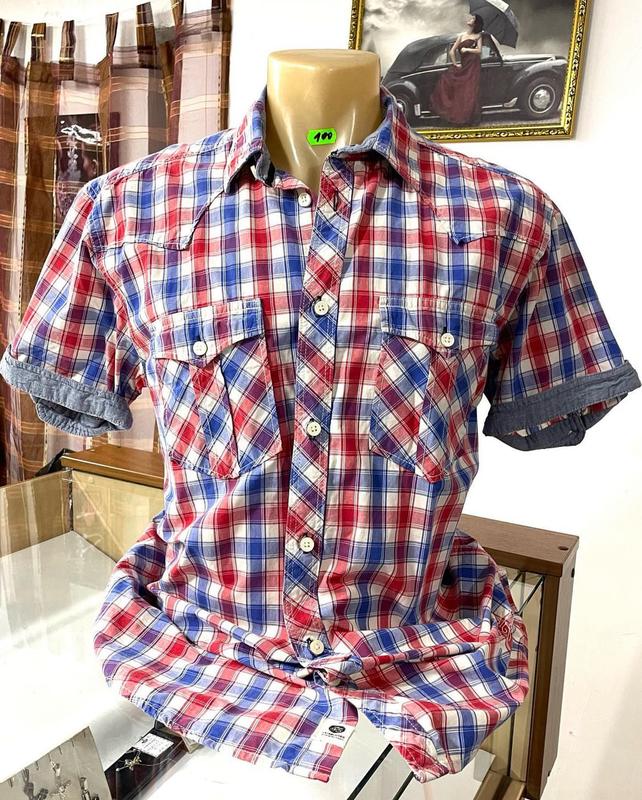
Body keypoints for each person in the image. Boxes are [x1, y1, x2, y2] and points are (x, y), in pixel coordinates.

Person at [430, 13, 484, 126]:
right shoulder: (462, 36)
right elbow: (451, 51)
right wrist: (455, 64)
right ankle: (458, 115)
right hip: (464, 65)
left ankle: (468, 117)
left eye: (473, 19)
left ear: (475, 24)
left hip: (473, 66)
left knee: (470, 90)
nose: (470, 19)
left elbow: (479, 51)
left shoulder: (478, 36)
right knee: (451, 83)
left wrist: (467, 50)